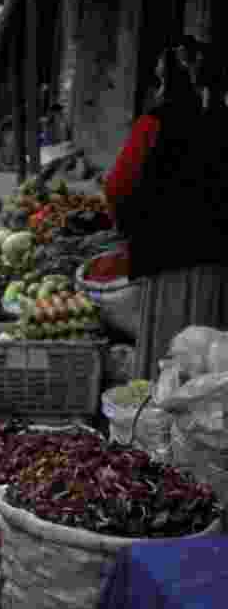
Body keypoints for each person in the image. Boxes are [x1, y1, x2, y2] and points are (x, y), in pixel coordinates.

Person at [105, 45, 227, 378]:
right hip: (216, 263)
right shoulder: (221, 121)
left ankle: (156, 421)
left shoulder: (155, 123)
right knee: (212, 357)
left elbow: (118, 185)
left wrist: (127, 226)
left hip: (168, 260)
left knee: (167, 349)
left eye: (160, 80)